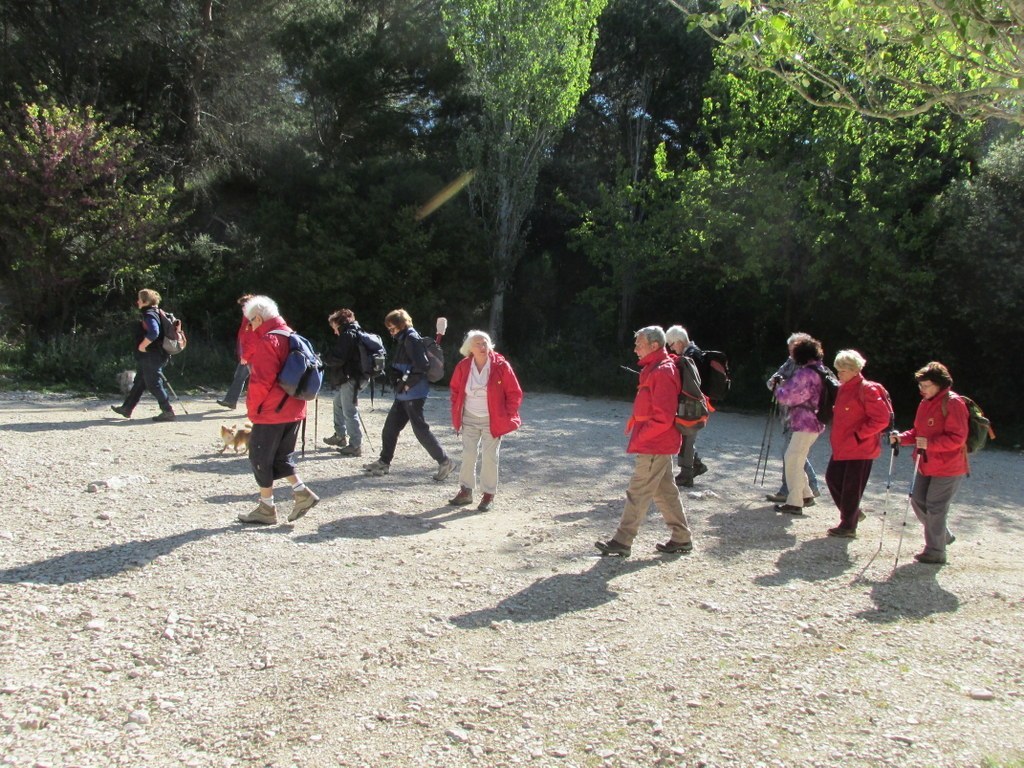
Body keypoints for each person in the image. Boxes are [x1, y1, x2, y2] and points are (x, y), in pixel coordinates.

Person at [595, 326, 694, 557]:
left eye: (639, 344)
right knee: (665, 491)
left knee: (638, 491)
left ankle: (622, 540)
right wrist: (636, 423)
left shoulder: (662, 371)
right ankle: (681, 538)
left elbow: (663, 417)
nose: (635, 348)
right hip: (659, 442)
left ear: (654, 346)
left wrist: (642, 434)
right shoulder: (657, 368)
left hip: (655, 444)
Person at [235, 295, 319, 525]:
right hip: (294, 408)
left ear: (259, 318)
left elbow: (261, 380)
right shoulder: (291, 335)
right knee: (281, 456)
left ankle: (267, 508)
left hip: (271, 411)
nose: (250, 327)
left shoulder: (268, 340)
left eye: (251, 322)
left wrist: (253, 410)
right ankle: (301, 494)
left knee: (260, 457)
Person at [890, 362, 968, 564]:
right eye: (921, 386)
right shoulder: (925, 403)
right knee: (917, 499)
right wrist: (902, 438)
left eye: (926, 385)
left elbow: (957, 438)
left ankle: (935, 551)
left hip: (949, 466)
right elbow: (917, 433)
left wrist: (929, 444)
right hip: (925, 462)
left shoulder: (953, 403)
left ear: (940, 384)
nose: (922, 390)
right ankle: (942, 537)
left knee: (935, 506)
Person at [363, 308, 455, 480]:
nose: (391, 332)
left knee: (420, 430)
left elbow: (422, 366)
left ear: (402, 324)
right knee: (390, 428)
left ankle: (445, 461)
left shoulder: (411, 339)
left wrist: (406, 384)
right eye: (389, 329)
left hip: (413, 393)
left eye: (392, 328)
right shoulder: (405, 338)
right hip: (405, 393)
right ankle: (384, 462)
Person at [447, 330, 523, 511]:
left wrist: (507, 414)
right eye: (478, 344)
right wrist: (456, 410)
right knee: (468, 454)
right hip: (469, 417)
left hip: (493, 419)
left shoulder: (501, 366)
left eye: (485, 343)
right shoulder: (463, 366)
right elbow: (455, 390)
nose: (482, 347)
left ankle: (488, 495)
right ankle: (465, 491)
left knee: (490, 457)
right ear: (469, 348)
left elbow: (514, 393)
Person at [824, 350, 893, 538]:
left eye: (842, 371)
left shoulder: (867, 388)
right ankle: (852, 515)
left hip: (860, 447)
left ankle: (848, 525)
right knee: (833, 479)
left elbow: (882, 419)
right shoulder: (844, 388)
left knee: (851, 487)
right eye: (838, 371)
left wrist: (859, 435)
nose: (839, 375)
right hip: (843, 446)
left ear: (855, 370)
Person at [771, 336, 826, 514]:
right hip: (816, 422)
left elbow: (789, 396)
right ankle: (805, 494)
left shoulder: (805, 374)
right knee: (797, 458)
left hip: (804, 422)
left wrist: (779, 388)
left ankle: (794, 502)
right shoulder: (820, 370)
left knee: (792, 459)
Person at [110, 288, 176, 422]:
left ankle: (167, 411)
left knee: (154, 384)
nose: (137, 301)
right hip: (155, 354)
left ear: (145, 301)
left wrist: (142, 346)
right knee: (140, 381)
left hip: (152, 355)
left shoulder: (150, 314)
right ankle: (127, 408)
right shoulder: (157, 312)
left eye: (140, 299)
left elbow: (153, 332)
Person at [665, 325, 709, 487]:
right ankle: (695, 465)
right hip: (693, 401)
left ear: (679, 341)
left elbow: (689, 382)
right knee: (687, 434)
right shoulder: (695, 352)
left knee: (687, 436)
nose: (671, 348)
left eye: (671, 344)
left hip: (691, 402)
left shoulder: (690, 356)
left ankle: (686, 474)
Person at [322, 308, 366, 457]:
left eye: (334, 327)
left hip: (352, 378)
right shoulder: (358, 332)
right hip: (360, 377)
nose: (334, 331)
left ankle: (355, 445)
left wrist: (324, 358)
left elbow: (338, 357)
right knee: (338, 403)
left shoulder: (347, 334)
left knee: (349, 410)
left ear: (338, 323)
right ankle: (340, 436)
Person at [217, 294, 254, 409]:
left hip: (251, 355)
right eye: (242, 306)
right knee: (240, 376)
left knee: (254, 380)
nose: (243, 308)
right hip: (247, 354)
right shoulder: (247, 317)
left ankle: (254, 406)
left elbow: (252, 339)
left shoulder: (252, 318)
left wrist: (246, 355)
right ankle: (231, 401)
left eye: (244, 305)